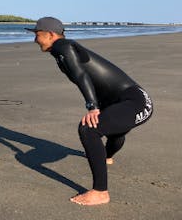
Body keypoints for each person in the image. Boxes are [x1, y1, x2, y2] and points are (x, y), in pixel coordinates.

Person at [27, 17, 153, 205]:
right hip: (132, 100)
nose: (34, 40)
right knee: (111, 127)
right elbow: (91, 79)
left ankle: (100, 192)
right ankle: (106, 157)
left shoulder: (62, 46)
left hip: (136, 102)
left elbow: (81, 74)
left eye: (37, 35)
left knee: (89, 128)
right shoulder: (62, 50)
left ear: (51, 34)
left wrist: (92, 107)